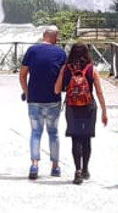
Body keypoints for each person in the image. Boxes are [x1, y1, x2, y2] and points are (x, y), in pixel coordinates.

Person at [54, 43, 108, 184]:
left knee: (75, 139)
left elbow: (57, 90)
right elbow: (99, 92)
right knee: (86, 139)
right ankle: (85, 169)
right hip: (89, 107)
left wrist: (61, 73)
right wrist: (104, 110)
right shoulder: (91, 69)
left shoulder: (66, 69)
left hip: (72, 107)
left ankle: (77, 170)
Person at [19, 25, 66, 180]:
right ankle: (55, 166)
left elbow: (22, 75)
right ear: (53, 37)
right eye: (57, 36)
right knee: (53, 133)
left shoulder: (32, 51)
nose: (58, 39)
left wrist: (27, 92)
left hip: (34, 99)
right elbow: (62, 78)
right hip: (53, 98)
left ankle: (34, 165)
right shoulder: (61, 53)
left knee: (35, 133)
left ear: (44, 35)